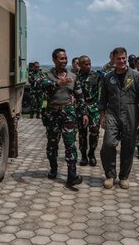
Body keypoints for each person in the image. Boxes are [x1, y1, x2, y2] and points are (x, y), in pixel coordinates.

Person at [99, 47, 139, 189]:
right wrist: (102, 116)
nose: (122, 61)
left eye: (124, 58)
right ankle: (110, 175)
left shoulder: (136, 76)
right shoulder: (108, 77)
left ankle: (124, 176)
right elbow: (103, 98)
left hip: (131, 113)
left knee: (128, 146)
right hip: (112, 113)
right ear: (113, 60)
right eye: (118, 59)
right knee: (109, 144)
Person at [40, 48, 89, 187]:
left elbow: (80, 96)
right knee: (52, 144)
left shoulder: (73, 77)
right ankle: (53, 168)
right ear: (54, 60)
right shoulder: (48, 75)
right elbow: (40, 87)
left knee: (70, 144)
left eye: (65, 58)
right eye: (61, 58)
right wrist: (57, 83)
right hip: (52, 114)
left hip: (68, 113)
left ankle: (72, 176)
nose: (64, 61)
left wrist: (84, 113)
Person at [77, 55, 101, 167]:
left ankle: (91, 153)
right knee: (82, 133)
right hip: (81, 108)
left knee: (95, 132)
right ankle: (83, 156)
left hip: (94, 108)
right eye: (85, 64)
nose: (88, 66)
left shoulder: (96, 75)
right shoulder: (75, 77)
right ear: (79, 65)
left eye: (89, 63)